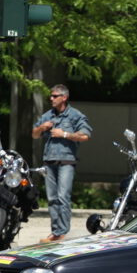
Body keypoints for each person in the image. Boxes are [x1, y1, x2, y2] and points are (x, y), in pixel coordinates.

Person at [32, 84, 92, 243]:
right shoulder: (48, 115)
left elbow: (85, 136)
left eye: (54, 96)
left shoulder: (75, 115)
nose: (51, 98)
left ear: (64, 97)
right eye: (51, 96)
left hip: (67, 161)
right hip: (49, 160)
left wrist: (64, 134)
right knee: (52, 198)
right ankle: (55, 232)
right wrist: (42, 127)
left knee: (63, 196)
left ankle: (63, 233)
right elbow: (35, 135)